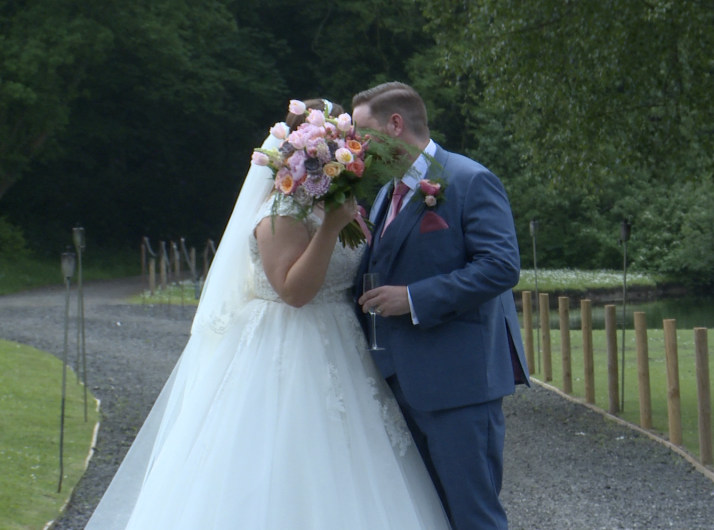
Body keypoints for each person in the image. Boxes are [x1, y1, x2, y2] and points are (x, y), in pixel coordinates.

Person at [84, 99, 450, 530]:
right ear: (304, 151)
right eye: (337, 141)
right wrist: (332, 227)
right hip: (286, 344)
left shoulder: (326, 206)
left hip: (339, 343)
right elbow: (294, 292)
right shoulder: (282, 212)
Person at [354, 82, 530, 530]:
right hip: (401, 380)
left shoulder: (470, 180)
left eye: (364, 133)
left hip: (460, 386)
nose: (358, 147)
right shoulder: (383, 195)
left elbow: (500, 267)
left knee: (474, 517)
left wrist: (413, 298)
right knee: (427, 516)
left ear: (396, 124)